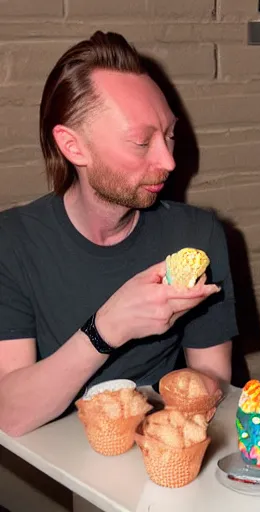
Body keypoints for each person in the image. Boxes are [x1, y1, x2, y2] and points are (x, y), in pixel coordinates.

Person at [0, 31, 237, 437]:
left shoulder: (196, 232)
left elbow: (212, 377)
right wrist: (107, 329)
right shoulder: (13, 242)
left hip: (165, 452)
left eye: (170, 134)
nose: (168, 160)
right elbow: (9, 414)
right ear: (74, 147)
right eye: (141, 142)